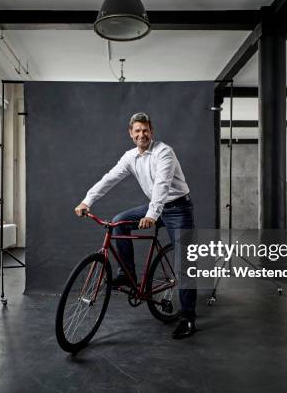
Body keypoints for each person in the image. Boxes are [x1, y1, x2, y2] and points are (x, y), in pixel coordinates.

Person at [74, 112, 197, 339]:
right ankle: (127, 274)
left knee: (185, 261)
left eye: (145, 130)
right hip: (155, 206)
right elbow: (109, 178)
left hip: (178, 208)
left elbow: (162, 185)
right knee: (118, 223)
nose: (142, 134)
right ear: (131, 134)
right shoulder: (130, 157)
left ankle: (188, 318)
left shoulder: (164, 152)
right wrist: (87, 200)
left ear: (152, 131)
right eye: (137, 130)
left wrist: (151, 215)